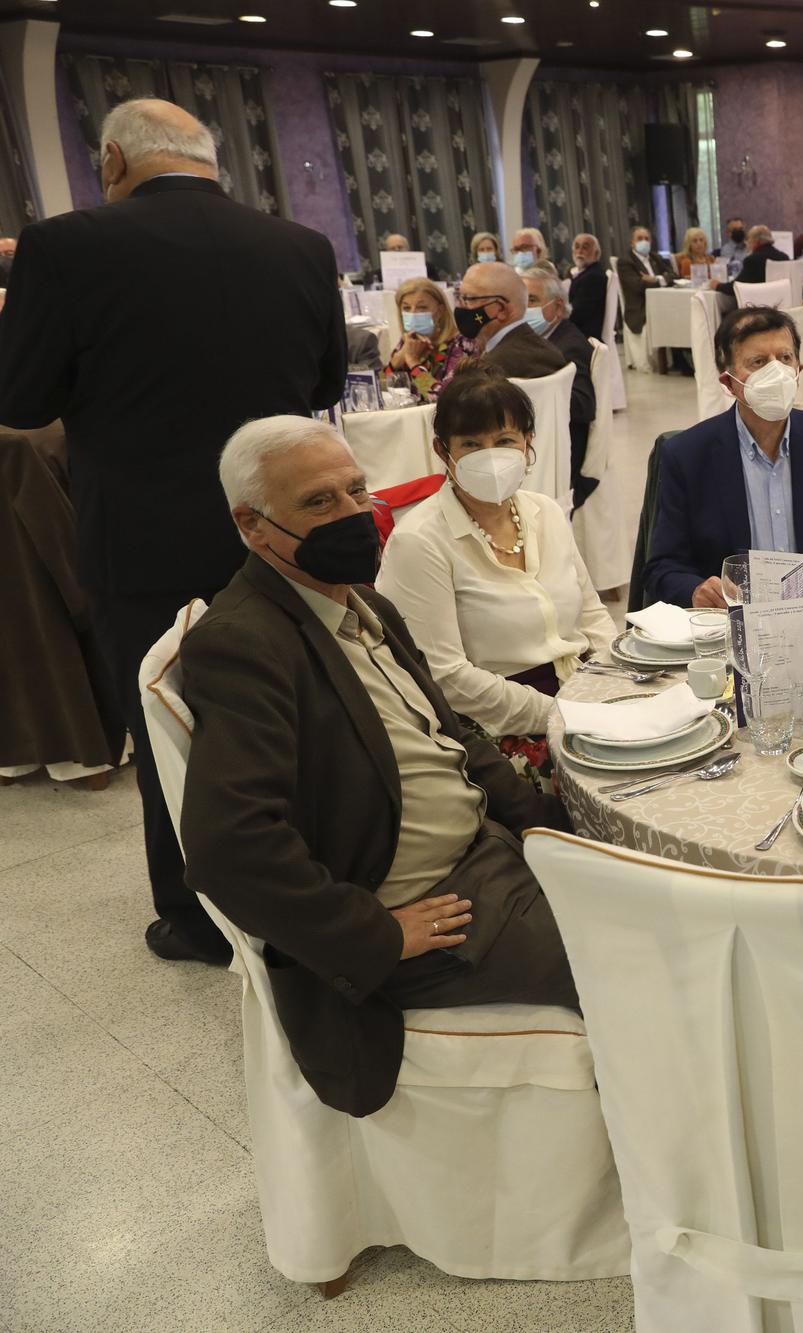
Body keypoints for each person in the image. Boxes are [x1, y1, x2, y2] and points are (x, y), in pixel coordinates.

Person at [0, 98, 346, 966]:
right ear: (210, 160)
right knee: (290, 706)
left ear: (112, 161)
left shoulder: (65, 247)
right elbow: (328, 379)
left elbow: (20, 399)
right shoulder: (299, 247)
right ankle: (316, 886)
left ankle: (195, 917)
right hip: (276, 528)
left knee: (169, 725)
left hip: (144, 538)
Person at [183, 415, 578, 1115]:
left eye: (356, 490)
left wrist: (553, 826)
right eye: (318, 502)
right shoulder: (245, 643)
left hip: (494, 856)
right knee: (641, 962)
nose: (354, 514)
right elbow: (227, 847)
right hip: (442, 912)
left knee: (665, 903)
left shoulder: (366, 605)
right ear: (252, 524)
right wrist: (376, 932)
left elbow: (453, 736)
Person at [375, 368, 615, 786]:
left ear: (528, 444)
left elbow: (593, 617)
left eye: (505, 441)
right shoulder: (420, 541)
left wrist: (616, 685)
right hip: (493, 728)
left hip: (580, 696)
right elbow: (447, 678)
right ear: (442, 450)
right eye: (471, 444)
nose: (491, 455)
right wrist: (562, 713)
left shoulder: (546, 513)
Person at [643, 306, 803, 608]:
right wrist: (696, 589)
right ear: (728, 382)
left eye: (784, 358)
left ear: (798, 371)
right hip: (734, 624)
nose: (775, 371)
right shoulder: (688, 456)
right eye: (758, 362)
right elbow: (661, 567)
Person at [520, 266, 599, 506]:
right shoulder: (544, 339)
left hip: (561, 454)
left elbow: (583, 405)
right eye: (521, 300)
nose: (524, 308)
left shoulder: (568, 345)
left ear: (557, 306)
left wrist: (534, 395)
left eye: (532, 300)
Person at [455, 261, 567, 379]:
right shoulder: (547, 348)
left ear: (501, 309)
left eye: (470, 299)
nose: (461, 306)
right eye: (460, 298)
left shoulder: (492, 370)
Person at [386, 276, 475, 403]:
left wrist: (413, 362)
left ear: (440, 311)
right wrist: (398, 359)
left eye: (422, 307)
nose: (413, 313)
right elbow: (381, 388)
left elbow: (442, 398)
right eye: (406, 308)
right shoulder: (409, 340)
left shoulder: (461, 343)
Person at [616, 223, 669, 347]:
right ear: (631, 243)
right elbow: (638, 286)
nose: (644, 242)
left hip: (663, 303)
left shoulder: (655, 257)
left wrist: (655, 279)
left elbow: (673, 275)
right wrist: (661, 281)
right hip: (641, 307)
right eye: (639, 239)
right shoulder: (625, 262)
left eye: (647, 239)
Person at [567, 232, 607, 341]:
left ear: (596, 253)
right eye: (577, 247)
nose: (579, 251)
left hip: (584, 335)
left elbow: (578, 313)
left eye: (585, 247)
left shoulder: (593, 277)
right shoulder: (584, 274)